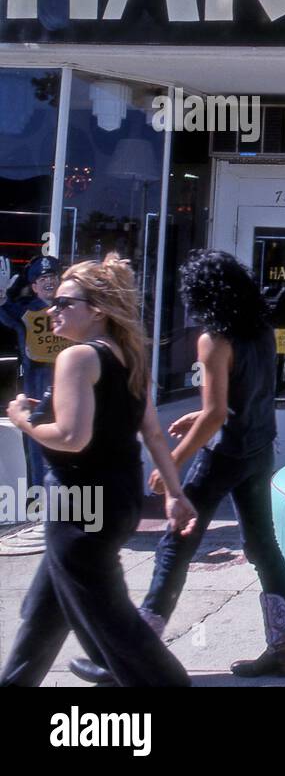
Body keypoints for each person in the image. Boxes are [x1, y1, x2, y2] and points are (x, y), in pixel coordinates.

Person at [71, 250, 285, 682]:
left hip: (224, 455)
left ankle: (133, 660)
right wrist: (205, 415)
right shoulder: (261, 329)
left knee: (174, 548)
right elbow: (248, 396)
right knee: (263, 548)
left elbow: (216, 415)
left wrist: (172, 463)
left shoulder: (214, 339)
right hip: (258, 450)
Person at [1, 254, 196, 687]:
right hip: (116, 496)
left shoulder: (78, 359)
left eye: (66, 302)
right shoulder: (128, 356)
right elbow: (153, 432)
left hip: (79, 501)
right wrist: (174, 493)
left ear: (97, 310)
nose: (53, 307)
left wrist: (21, 419)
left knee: (116, 626)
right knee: (43, 612)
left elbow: (72, 438)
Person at [0, 255, 69, 541]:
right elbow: (4, 313)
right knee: (38, 448)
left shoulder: (69, 309)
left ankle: (65, 508)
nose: (49, 282)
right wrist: (2, 294)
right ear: (34, 285)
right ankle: (41, 508)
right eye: (43, 279)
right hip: (37, 385)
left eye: (53, 277)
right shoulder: (25, 311)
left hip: (66, 384)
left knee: (67, 445)